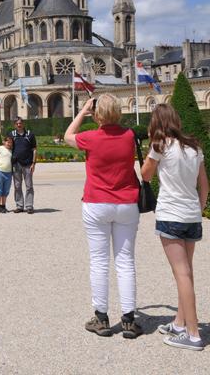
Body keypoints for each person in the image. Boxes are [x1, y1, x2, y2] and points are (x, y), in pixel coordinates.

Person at [65, 95, 142, 339]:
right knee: (125, 262)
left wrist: (82, 111)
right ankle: (129, 319)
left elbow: (67, 135)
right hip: (126, 203)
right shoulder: (129, 136)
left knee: (99, 261)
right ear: (119, 112)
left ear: (97, 114)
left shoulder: (90, 137)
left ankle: (102, 318)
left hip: (97, 203)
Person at [142, 104, 209, 351]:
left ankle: (192, 335)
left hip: (171, 215)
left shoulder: (160, 146)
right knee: (186, 272)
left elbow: (145, 175)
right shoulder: (194, 147)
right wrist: (198, 210)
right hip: (192, 216)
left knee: (182, 274)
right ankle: (180, 323)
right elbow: (204, 186)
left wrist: (151, 146)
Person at [10, 117, 37, 214]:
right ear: (14, 125)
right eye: (17, 123)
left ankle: (29, 206)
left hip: (28, 164)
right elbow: (7, 148)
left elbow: (34, 149)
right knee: (17, 186)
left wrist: (34, 163)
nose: (19, 125)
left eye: (20, 123)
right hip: (16, 164)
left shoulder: (30, 134)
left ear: (23, 124)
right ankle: (19, 206)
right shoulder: (12, 135)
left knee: (29, 186)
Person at [0, 135, 14, 213]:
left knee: (6, 190)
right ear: (4, 142)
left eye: (10, 142)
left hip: (9, 173)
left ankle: (3, 206)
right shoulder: (0, 148)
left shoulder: (12, 150)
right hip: (0, 171)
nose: (9, 143)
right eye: (7, 141)